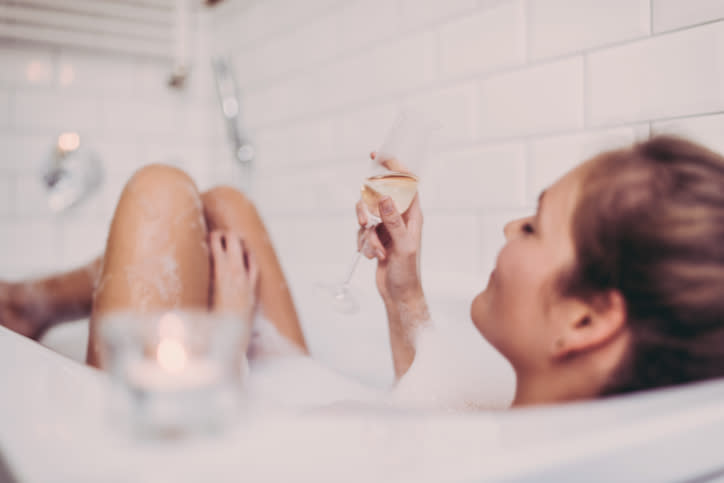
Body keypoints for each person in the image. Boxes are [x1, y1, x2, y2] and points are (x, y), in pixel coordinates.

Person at [2, 134, 724, 407]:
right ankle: (34, 305)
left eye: (533, 224)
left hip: (197, 437)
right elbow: (438, 404)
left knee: (161, 187)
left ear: (586, 318)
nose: (510, 227)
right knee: (222, 205)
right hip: (297, 399)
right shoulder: (531, 410)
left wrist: (223, 341)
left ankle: (28, 301)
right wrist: (403, 288)